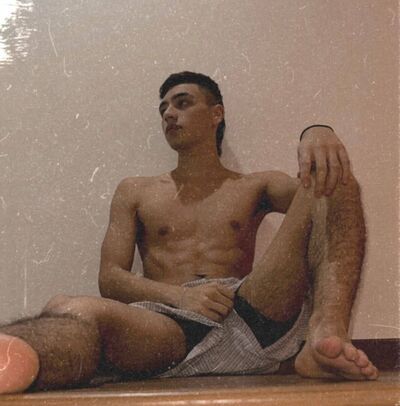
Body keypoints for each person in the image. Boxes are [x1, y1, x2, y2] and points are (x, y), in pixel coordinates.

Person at [0, 71, 378, 394]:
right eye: (163, 108)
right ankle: (11, 356)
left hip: (250, 313)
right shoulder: (135, 190)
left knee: (334, 177)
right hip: (167, 327)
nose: (169, 113)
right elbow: (110, 278)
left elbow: (327, 210)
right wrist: (180, 297)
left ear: (216, 114)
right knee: (69, 307)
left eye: (182, 103)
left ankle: (326, 334)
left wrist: (317, 132)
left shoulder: (255, 185)